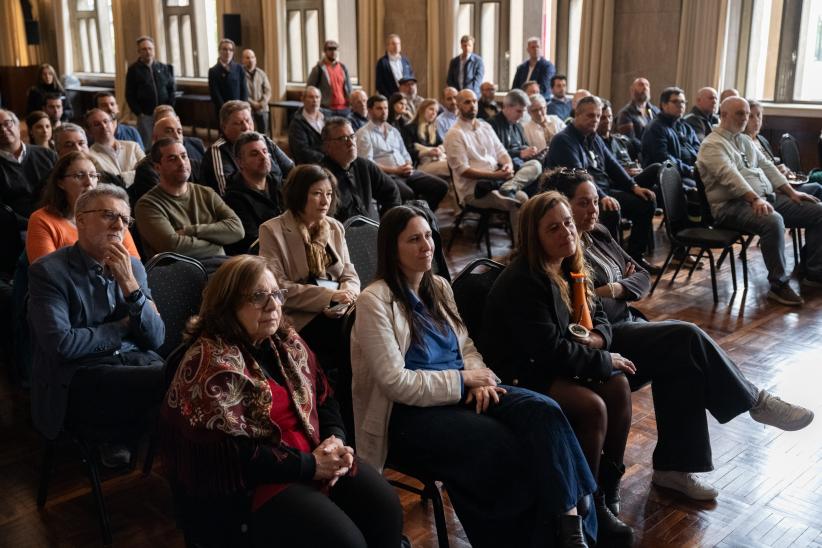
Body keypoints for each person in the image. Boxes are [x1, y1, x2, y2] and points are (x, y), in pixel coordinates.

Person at [543, 168, 815, 500]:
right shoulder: (562, 247)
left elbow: (641, 276)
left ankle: (674, 469)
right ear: (562, 206)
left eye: (596, 201)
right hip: (605, 337)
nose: (593, 210)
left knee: (683, 360)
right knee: (685, 336)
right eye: (583, 204)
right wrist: (615, 288)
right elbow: (579, 305)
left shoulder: (598, 233)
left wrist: (613, 288)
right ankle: (756, 402)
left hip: (628, 324)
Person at [351, 205, 597, 548]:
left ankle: (572, 525)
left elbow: (466, 345)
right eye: (414, 239)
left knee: (545, 410)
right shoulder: (374, 300)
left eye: (428, 236)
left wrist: (476, 376)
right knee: (500, 446)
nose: (426, 246)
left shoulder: (439, 286)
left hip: (463, 389)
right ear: (392, 249)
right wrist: (464, 381)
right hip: (411, 413)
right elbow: (396, 383)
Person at [160, 255, 402, 547]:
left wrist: (334, 440)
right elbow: (234, 457)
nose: (273, 305)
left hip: (316, 455)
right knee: (345, 541)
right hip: (256, 484)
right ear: (227, 304)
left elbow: (324, 398)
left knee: (385, 508)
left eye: (276, 294)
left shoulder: (286, 341)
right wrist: (311, 465)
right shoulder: (209, 364)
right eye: (258, 296)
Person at [481, 192, 636, 546]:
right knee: (592, 406)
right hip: (520, 372)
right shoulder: (524, 279)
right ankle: (584, 510)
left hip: (556, 360)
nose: (566, 231)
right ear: (534, 237)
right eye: (553, 228)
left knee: (618, 386)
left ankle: (603, 491)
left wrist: (599, 339)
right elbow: (549, 352)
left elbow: (598, 315)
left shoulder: (570, 263)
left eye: (568, 223)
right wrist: (604, 358)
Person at [28, 184, 164, 467]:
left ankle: (131, 436)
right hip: (80, 375)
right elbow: (62, 345)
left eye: (124, 219)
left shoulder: (134, 268)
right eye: (108, 215)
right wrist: (123, 328)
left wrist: (130, 286)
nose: (118, 225)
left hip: (132, 363)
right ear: (81, 220)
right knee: (170, 378)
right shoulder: (48, 272)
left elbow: (156, 337)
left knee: (174, 372)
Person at [696, 97, 822, 304]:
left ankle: (814, 273)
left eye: (747, 113)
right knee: (773, 220)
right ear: (724, 115)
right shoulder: (712, 145)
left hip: (763, 198)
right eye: (740, 113)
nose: (745, 118)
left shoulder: (743, 140)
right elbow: (730, 177)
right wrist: (755, 199)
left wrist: (792, 192)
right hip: (730, 206)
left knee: (818, 210)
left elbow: (767, 166)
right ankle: (778, 284)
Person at [258, 164, 359, 376]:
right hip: (300, 315)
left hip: (340, 307)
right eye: (317, 194)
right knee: (353, 332)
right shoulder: (272, 230)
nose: (325, 201)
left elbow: (349, 274)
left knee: (370, 318)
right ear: (299, 195)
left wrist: (346, 297)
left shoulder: (335, 226)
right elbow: (278, 290)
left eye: (329, 194)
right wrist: (330, 297)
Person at [546, 96, 659, 271]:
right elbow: (580, 175)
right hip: (576, 197)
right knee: (610, 210)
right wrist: (602, 197)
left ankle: (634, 257)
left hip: (602, 191)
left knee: (646, 202)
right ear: (577, 114)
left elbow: (613, 165)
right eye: (590, 115)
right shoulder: (563, 140)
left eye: (598, 116)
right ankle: (611, 263)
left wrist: (633, 186)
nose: (596, 120)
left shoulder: (594, 137)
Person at [135, 138, 244, 260]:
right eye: (172, 159)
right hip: (179, 269)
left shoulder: (207, 193)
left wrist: (190, 230)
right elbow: (173, 247)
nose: (182, 163)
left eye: (184, 156)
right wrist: (218, 245)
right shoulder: (147, 205)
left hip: (218, 264)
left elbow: (237, 229)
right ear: (157, 168)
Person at [26, 151, 140, 263]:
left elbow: (135, 265)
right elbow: (45, 271)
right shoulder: (42, 220)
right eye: (79, 176)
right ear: (60, 182)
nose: (89, 182)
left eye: (93, 175)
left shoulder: (113, 216)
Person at [444, 89, 529, 236]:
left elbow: (502, 152)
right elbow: (463, 171)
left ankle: (523, 245)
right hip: (474, 191)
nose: (472, 105)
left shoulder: (485, 126)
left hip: (495, 182)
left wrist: (508, 165)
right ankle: (520, 247)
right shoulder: (454, 134)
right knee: (517, 201)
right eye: (467, 102)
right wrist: (496, 176)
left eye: (474, 101)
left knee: (526, 193)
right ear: (458, 105)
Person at [357, 94, 448, 211]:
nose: (384, 112)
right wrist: (395, 170)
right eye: (379, 108)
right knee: (407, 194)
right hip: (386, 175)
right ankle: (408, 218)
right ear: (369, 111)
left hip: (405, 172)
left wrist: (408, 165)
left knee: (441, 186)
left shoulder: (393, 131)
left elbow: (405, 154)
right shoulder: (364, 133)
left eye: (385, 108)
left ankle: (422, 216)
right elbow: (368, 164)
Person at [319, 117, 401, 222]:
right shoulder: (322, 175)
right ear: (327, 146)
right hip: (342, 231)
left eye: (352, 136)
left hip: (372, 227)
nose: (351, 143)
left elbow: (392, 191)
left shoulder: (364, 165)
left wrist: (387, 221)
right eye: (343, 139)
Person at [204, 101, 293, 196]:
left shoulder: (264, 140)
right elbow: (227, 193)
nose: (246, 127)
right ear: (224, 127)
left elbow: (291, 170)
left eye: (248, 120)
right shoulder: (218, 150)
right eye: (238, 123)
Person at [224, 131, 286, 255]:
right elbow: (253, 242)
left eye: (265, 151)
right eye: (254, 154)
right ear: (240, 162)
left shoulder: (280, 185)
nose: (263, 157)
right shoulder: (233, 199)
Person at [0, 108, 58, 225]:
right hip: (18, 228)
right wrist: (33, 224)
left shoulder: (48, 155)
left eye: (7, 123)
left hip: (55, 220)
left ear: (18, 126)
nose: (3, 129)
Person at [641, 87, 700, 186]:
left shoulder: (686, 127)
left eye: (683, 102)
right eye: (675, 102)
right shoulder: (655, 128)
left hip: (690, 172)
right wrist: (689, 170)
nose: (681, 105)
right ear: (664, 105)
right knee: (701, 188)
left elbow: (698, 150)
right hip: (668, 176)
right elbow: (663, 159)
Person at [488, 89, 544, 194]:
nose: (522, 116)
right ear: (507, 107)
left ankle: (512, 188)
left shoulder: (518, 125)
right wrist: (520, 153)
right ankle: (509, 187)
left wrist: (532, 151)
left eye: (524, 111)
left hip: (521, 167)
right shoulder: (492, 124)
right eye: (519, 111)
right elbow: (493, 154)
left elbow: (524, 147)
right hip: (505, 169)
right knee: (536, 166)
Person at [126, 36, 176, 145]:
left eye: (150, 48)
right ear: (139, 51)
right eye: (144, 49)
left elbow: (171, 89)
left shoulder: (164, 68)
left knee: (169, 141)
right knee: (149, 143)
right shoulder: (133, 70)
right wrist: (139, 113)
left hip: (165, 112)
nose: (148, 52)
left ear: (154, 49)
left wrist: (170, 107)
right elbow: (129, 94)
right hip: (146, 115)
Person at [86, 108, 145, 188]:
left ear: (114, 124)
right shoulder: (89, 157)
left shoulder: (133, 146)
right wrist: (136, 173)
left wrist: (118, 178)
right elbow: (104, 183)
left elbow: (148, 171)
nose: (103, 126)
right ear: (89, 132)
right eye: (97, 124)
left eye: (106, 121)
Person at [401, 98, 450, 178]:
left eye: (436, 111)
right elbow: (408, 152)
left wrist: (439, 149)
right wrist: (427, 152)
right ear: (422, 110)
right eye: (431, 109)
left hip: (436, 160)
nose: (434, 113)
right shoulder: (409, 128)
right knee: (453, 166)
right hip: (419, 165)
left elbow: (442, 144)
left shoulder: (432, 128)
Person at [307, 40, 353, 116]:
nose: (333, 52)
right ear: (325, 51)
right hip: (327, 109)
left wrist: (351, 103)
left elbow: (349, 87)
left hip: (344, 108)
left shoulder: (343, 67)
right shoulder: (318, 68)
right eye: (330, 49)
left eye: (335, 49)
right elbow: (310, 89)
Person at [288, 86, 330, 165]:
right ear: (303, 99)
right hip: (311, 165)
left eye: (317, 97)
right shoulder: (297, 122)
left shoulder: (327, 115)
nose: (315, 100)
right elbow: (302, 151)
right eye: (311, 97)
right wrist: (327, 159)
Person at [597, 100, 640, 174]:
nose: (608, 121)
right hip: (618, 179)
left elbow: (632, 162)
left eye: (610, 117)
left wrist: (636, 167)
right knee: (656, 168)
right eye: (603, 118)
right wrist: (623, 173)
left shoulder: (621, 141)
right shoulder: (595, 144)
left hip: (634, 176)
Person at [208, 39, 248, 118]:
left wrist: (242, 107)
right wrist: (226, 110)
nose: (228, 52)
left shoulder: (239, 68)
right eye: (225, 49)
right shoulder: (213, 71)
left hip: (239, 110)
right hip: (223, 111)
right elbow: (215, 94)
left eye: (230, 50)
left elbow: (244, 90)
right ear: (219, 51)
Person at [616, 77, 659, 146]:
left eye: (647, 85)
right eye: (641, 85)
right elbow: (630, 140)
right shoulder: (625, 113)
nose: (645, 87)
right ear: (632, 90)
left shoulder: (655, 111)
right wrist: (649, 149)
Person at [242, 49, 272, 135]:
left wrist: (261, 103)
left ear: (255, 59)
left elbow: (268, 91)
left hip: (262, 108)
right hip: (248, 108)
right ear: (243, 60)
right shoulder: (240, 74)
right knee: (249, 132)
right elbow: (241, 92)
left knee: (264, 133)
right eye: (247, 58)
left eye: (252, 57)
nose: (250, 60)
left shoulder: (262, 73)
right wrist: (253, 103)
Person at [375, 34, 415, 98]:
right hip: (390, 98)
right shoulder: (382, 62)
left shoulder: (405, 61)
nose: (396, 46)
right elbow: (380, 84)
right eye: (393, 44)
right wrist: (390, 97)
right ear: (387, 46)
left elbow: (411, 77)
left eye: (398, 44)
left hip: (406, 97)